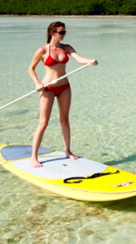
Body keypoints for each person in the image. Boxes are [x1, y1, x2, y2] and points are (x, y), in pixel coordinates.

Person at [27, 21, 97, 168]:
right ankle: (34, 156)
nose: (64, 34)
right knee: (43, 123)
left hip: (64, 87)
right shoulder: (42, 50)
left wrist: (89, 61)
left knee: (64, 120)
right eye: (62, 32)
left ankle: (67, 151)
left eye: (65, 32)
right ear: (53, 33)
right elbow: (30, 69)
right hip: (48, 89)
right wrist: (37, 83)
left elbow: (78, 58)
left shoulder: (67, 48)